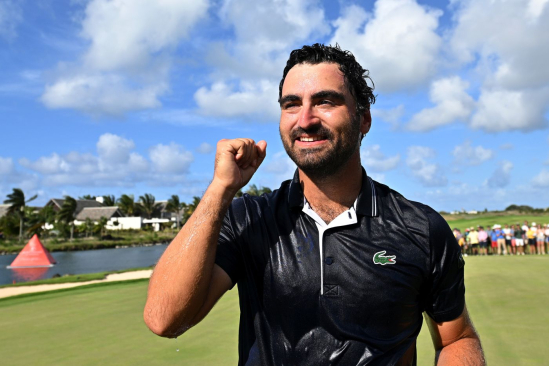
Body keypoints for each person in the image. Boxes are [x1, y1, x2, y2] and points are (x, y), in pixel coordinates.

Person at [143, 44, 484, 365]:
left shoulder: (420, 228)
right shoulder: (250, 218)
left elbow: (456, 338)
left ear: (363, 118)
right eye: (291, 104)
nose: (305, 119)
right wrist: (220, 188)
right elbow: (165, 318)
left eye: (325, 101)